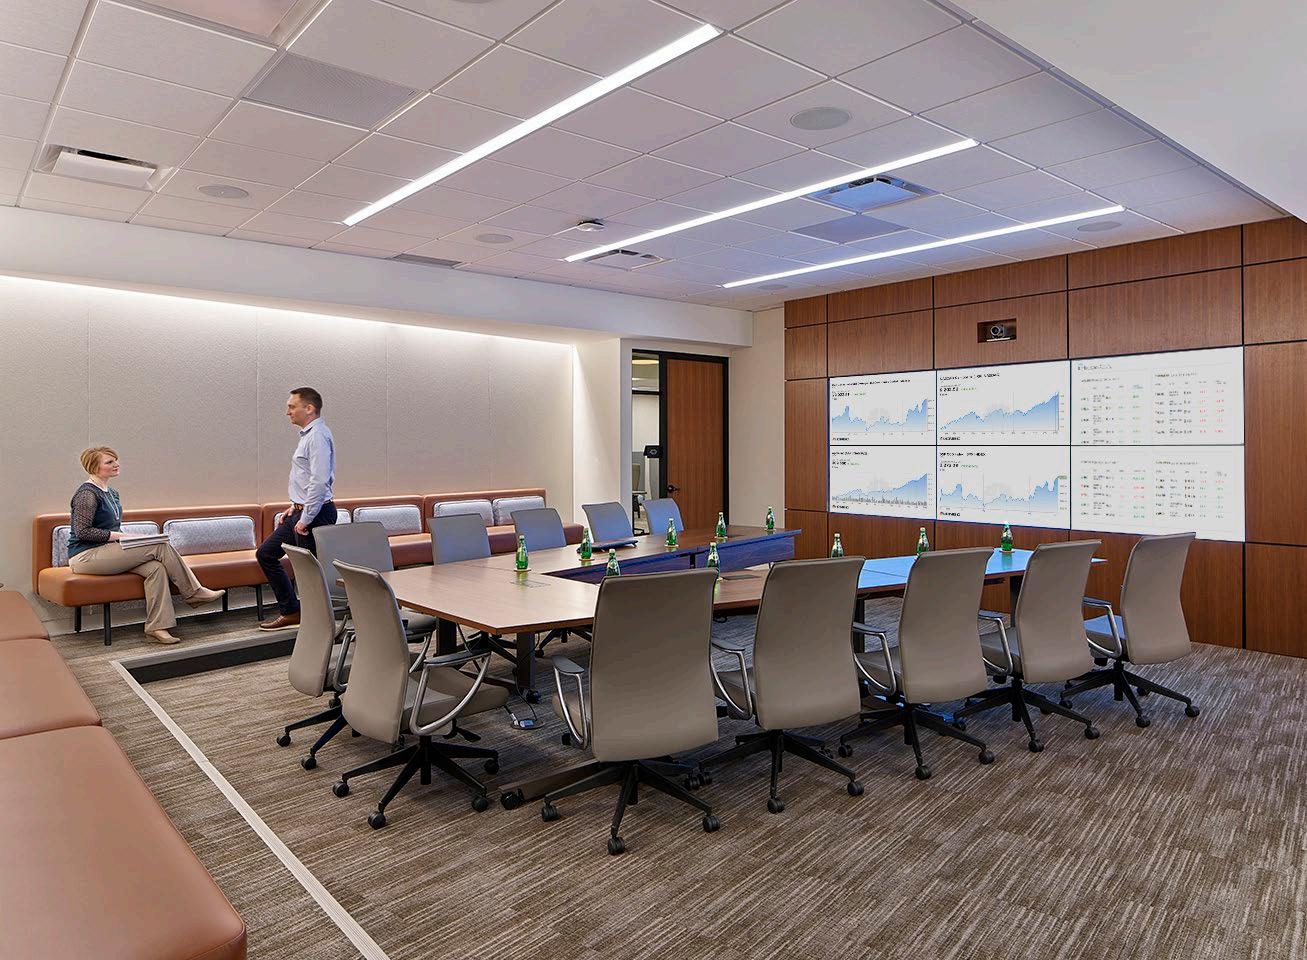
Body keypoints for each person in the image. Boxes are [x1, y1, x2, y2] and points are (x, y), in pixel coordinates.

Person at [67, 446, 225, 644]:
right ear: (94, 467)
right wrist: (123, 537)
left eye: (116, 460)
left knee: (156, 568)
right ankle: (193, 592)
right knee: (160, 545)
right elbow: (83, 532)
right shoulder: (87, 494)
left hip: (107, 553)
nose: (116, 464)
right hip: (85, 556)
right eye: (109, 462)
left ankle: (157, 627)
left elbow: (110, 526)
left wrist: (127, 539)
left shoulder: (112, 493)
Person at [257, 387, 338, 630]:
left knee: (309, 572)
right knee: (266, 554)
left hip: (315, 514)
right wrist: (295, 506)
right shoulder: (308, 436)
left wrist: (306, 517)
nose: (287, 412)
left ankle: (322, 626)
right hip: (302, 511)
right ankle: (292, 611)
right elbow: (306, 479)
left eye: (292, 406)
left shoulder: (317, 436)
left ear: (309, 408)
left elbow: (319, 481)